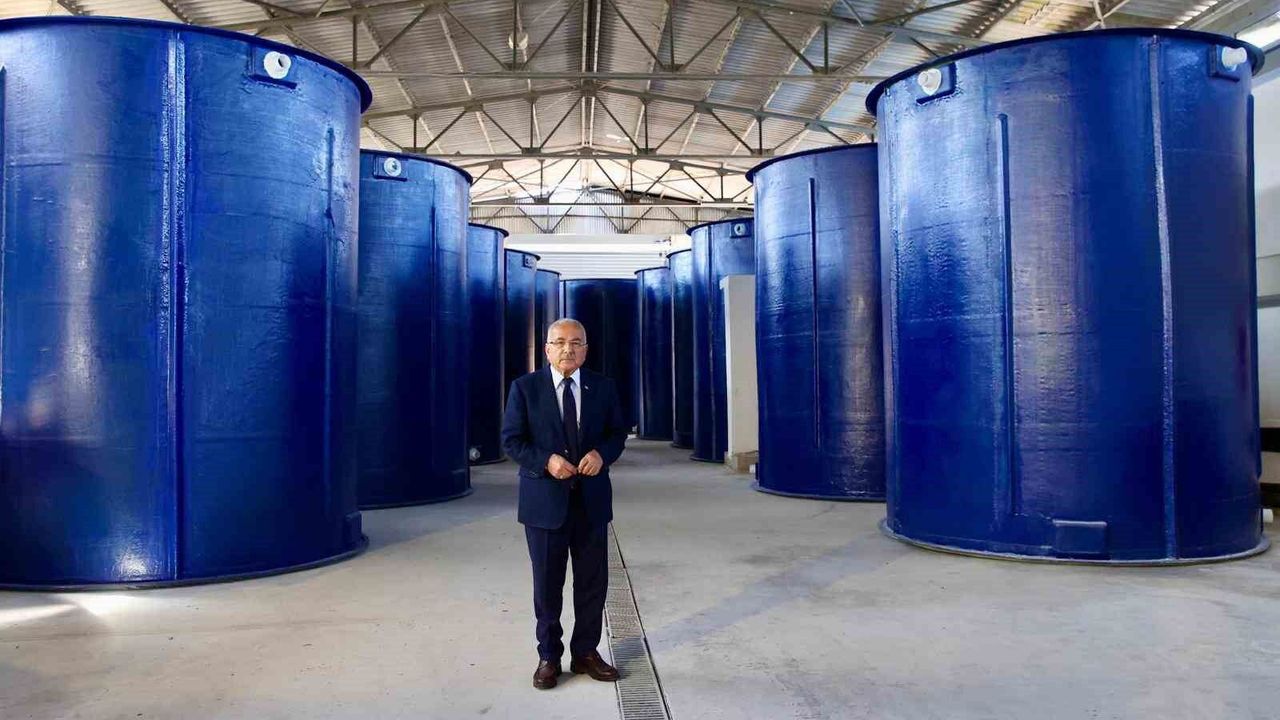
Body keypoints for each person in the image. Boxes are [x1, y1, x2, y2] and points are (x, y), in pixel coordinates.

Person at [501, 318, 628, 690]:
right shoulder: (525, 388)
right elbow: (512, 440)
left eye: (575, 342)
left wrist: (602, 454)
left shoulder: (603, 387)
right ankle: (549, 657)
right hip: (544, 504)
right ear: (547, 349)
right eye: (559, 342)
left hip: (591, 502)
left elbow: (617, 433)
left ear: (585, 349)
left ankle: (586, 652)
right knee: (547, 585)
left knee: (592, 583)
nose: (567, 349)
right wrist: (546, 461)